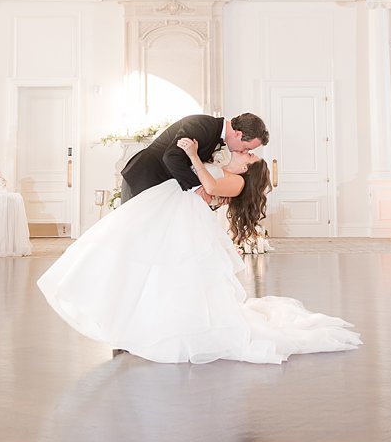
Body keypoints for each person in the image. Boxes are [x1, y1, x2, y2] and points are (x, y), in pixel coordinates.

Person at [38, 136, 360, 364]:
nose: (245, 156)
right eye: (249, 152)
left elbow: (207, 185)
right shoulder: (228, 172)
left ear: (250, 170)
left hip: (183, 218)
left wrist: (193, 157)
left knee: (180, 271)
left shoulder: (237, 183)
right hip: (172, 209)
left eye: (250, 157)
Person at [118, 112, 268, 203]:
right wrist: (197, 188)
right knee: (131, 233)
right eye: (247, 147)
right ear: (238, 134)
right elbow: (172, 157)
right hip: (143, 177)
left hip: (157, 184)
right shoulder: (204, 125)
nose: (244, 151)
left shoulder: (215, 133)